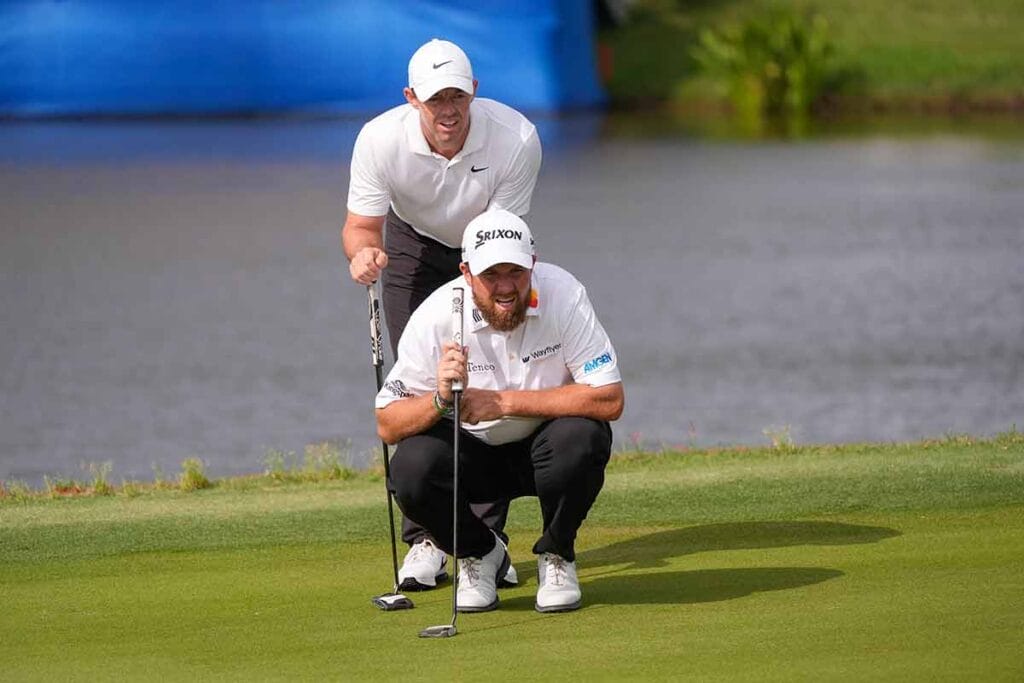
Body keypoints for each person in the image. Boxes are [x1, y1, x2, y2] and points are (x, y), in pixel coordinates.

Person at [343, 38, 542, 592]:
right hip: (411, 247)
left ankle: (483, 539)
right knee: (421, 388)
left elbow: (501, 238)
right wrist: (362, 253)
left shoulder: (516, 138)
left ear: (474, 91)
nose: (448, 110)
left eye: (458, 95)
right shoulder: (380, 141)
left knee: (481, 377)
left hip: (489, 252)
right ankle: (428, 538)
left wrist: (480, 290)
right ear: (412, 99)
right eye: (435, 100)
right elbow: (361, 226)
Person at [375, 210, 624, 613]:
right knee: (410, 468)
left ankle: (557, 553)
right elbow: (388, 423)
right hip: (472, 457)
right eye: (491, 275)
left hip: (547, 449)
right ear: (466, 272)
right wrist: (438, 399)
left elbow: (609, 397)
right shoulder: (439, 315)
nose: (506, 287)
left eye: (516, 272)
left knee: (584, 436)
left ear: (533, 264)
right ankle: (481, 553)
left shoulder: (563, 294)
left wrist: (504, 403)